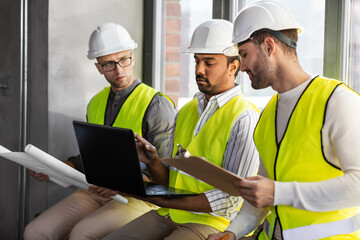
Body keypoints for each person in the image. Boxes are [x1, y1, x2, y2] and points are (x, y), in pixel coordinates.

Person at [208, 1, 360, 240]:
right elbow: (262, 198)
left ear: (269, 45)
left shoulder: (337, 101)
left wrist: (279, 192)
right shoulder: (267, 115)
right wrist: (231, 233)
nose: (242, 66)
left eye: (244, 54)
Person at [96, 19, 260, 240]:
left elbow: (231, 201)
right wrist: (152, 161)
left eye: (209, 63)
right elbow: (169, 183)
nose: (199, 70)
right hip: (171, 214)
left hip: (216, 223)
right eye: (196, 61)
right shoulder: (186, 111)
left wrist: (161, 199)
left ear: (234, 66)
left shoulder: (244, 117)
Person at [24, 22, 176, 239]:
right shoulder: (96, 102)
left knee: (82, 234)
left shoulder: (156, 104)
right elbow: (94, 155)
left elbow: (166, 171)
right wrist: (58, 169)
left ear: (132, 57)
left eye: (124, 60)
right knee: (35, 231)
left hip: (140, 198)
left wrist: (122, 186)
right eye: (109, 64)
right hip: (97, 190)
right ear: (98, 67)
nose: (119, 70)